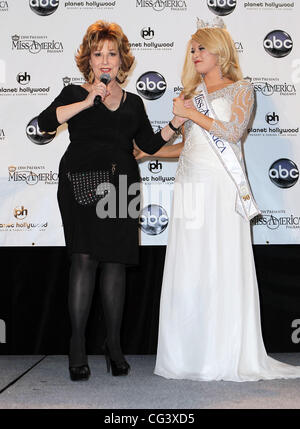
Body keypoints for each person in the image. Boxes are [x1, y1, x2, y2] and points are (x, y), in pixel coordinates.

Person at [136, 17, 300, 382]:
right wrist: (151, 154)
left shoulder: (242, 89)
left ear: (220, 53)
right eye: (192, 49)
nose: (195, 54)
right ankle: (189, 354)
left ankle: (224, 354)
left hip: (223, 189)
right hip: (190, 187)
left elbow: (233, 132)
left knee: (220, 262)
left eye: (202, 48)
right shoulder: (191, 95)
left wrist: (190, 112)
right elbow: (189, 145)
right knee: (190, 266)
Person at [38, 20, 184, 381]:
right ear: (88, 59)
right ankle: (76, 345)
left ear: (122, 60)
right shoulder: (75, 92)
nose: (105, 61)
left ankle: (113, 345)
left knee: (116, 265)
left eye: (112, 54)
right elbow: (43, 123)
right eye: (98, 53)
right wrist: (88, 101)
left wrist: (177, 122)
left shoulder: (134, 103)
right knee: (84, 260)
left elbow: (148, 145)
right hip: (81, 184)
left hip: (122, 186)